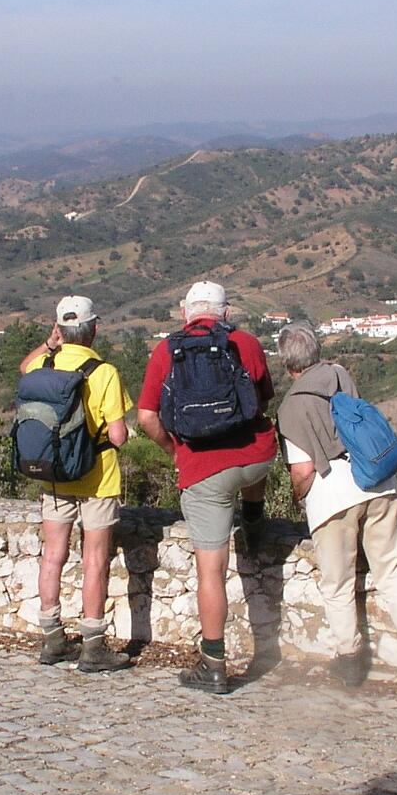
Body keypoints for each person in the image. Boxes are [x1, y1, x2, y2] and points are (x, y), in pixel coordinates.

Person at [274, 321, 397, 688]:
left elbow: (303, 470)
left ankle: (350, 661)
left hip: (332, 496)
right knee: (394, 570)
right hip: (378, 483)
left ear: (286, 364)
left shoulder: (290, 407)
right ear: (317, 350)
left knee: (337, 583)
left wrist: (297, 497)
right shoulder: (341, 374)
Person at [136, 282, 276, 694]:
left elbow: (146, 417)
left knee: (210, 569)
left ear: (185, 313)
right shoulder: (247, 343)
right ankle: (254, 517)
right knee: (254, 460)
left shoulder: (166, 350)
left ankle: (214, 664)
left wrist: (175, 451)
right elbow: (262, 402)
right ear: (226, 312)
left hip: (203, 470)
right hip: (255, 460)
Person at [19, 295, 132, 672]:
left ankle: (52, 638)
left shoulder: (43, 365)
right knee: (94, 560)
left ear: (60, 330)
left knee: (53, 555)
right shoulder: (104, 372)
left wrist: (49, 344)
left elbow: (24, 368)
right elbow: (118, 436)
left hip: (54, 473)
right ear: (93, 330)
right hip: (97, 478)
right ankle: (93, 646)